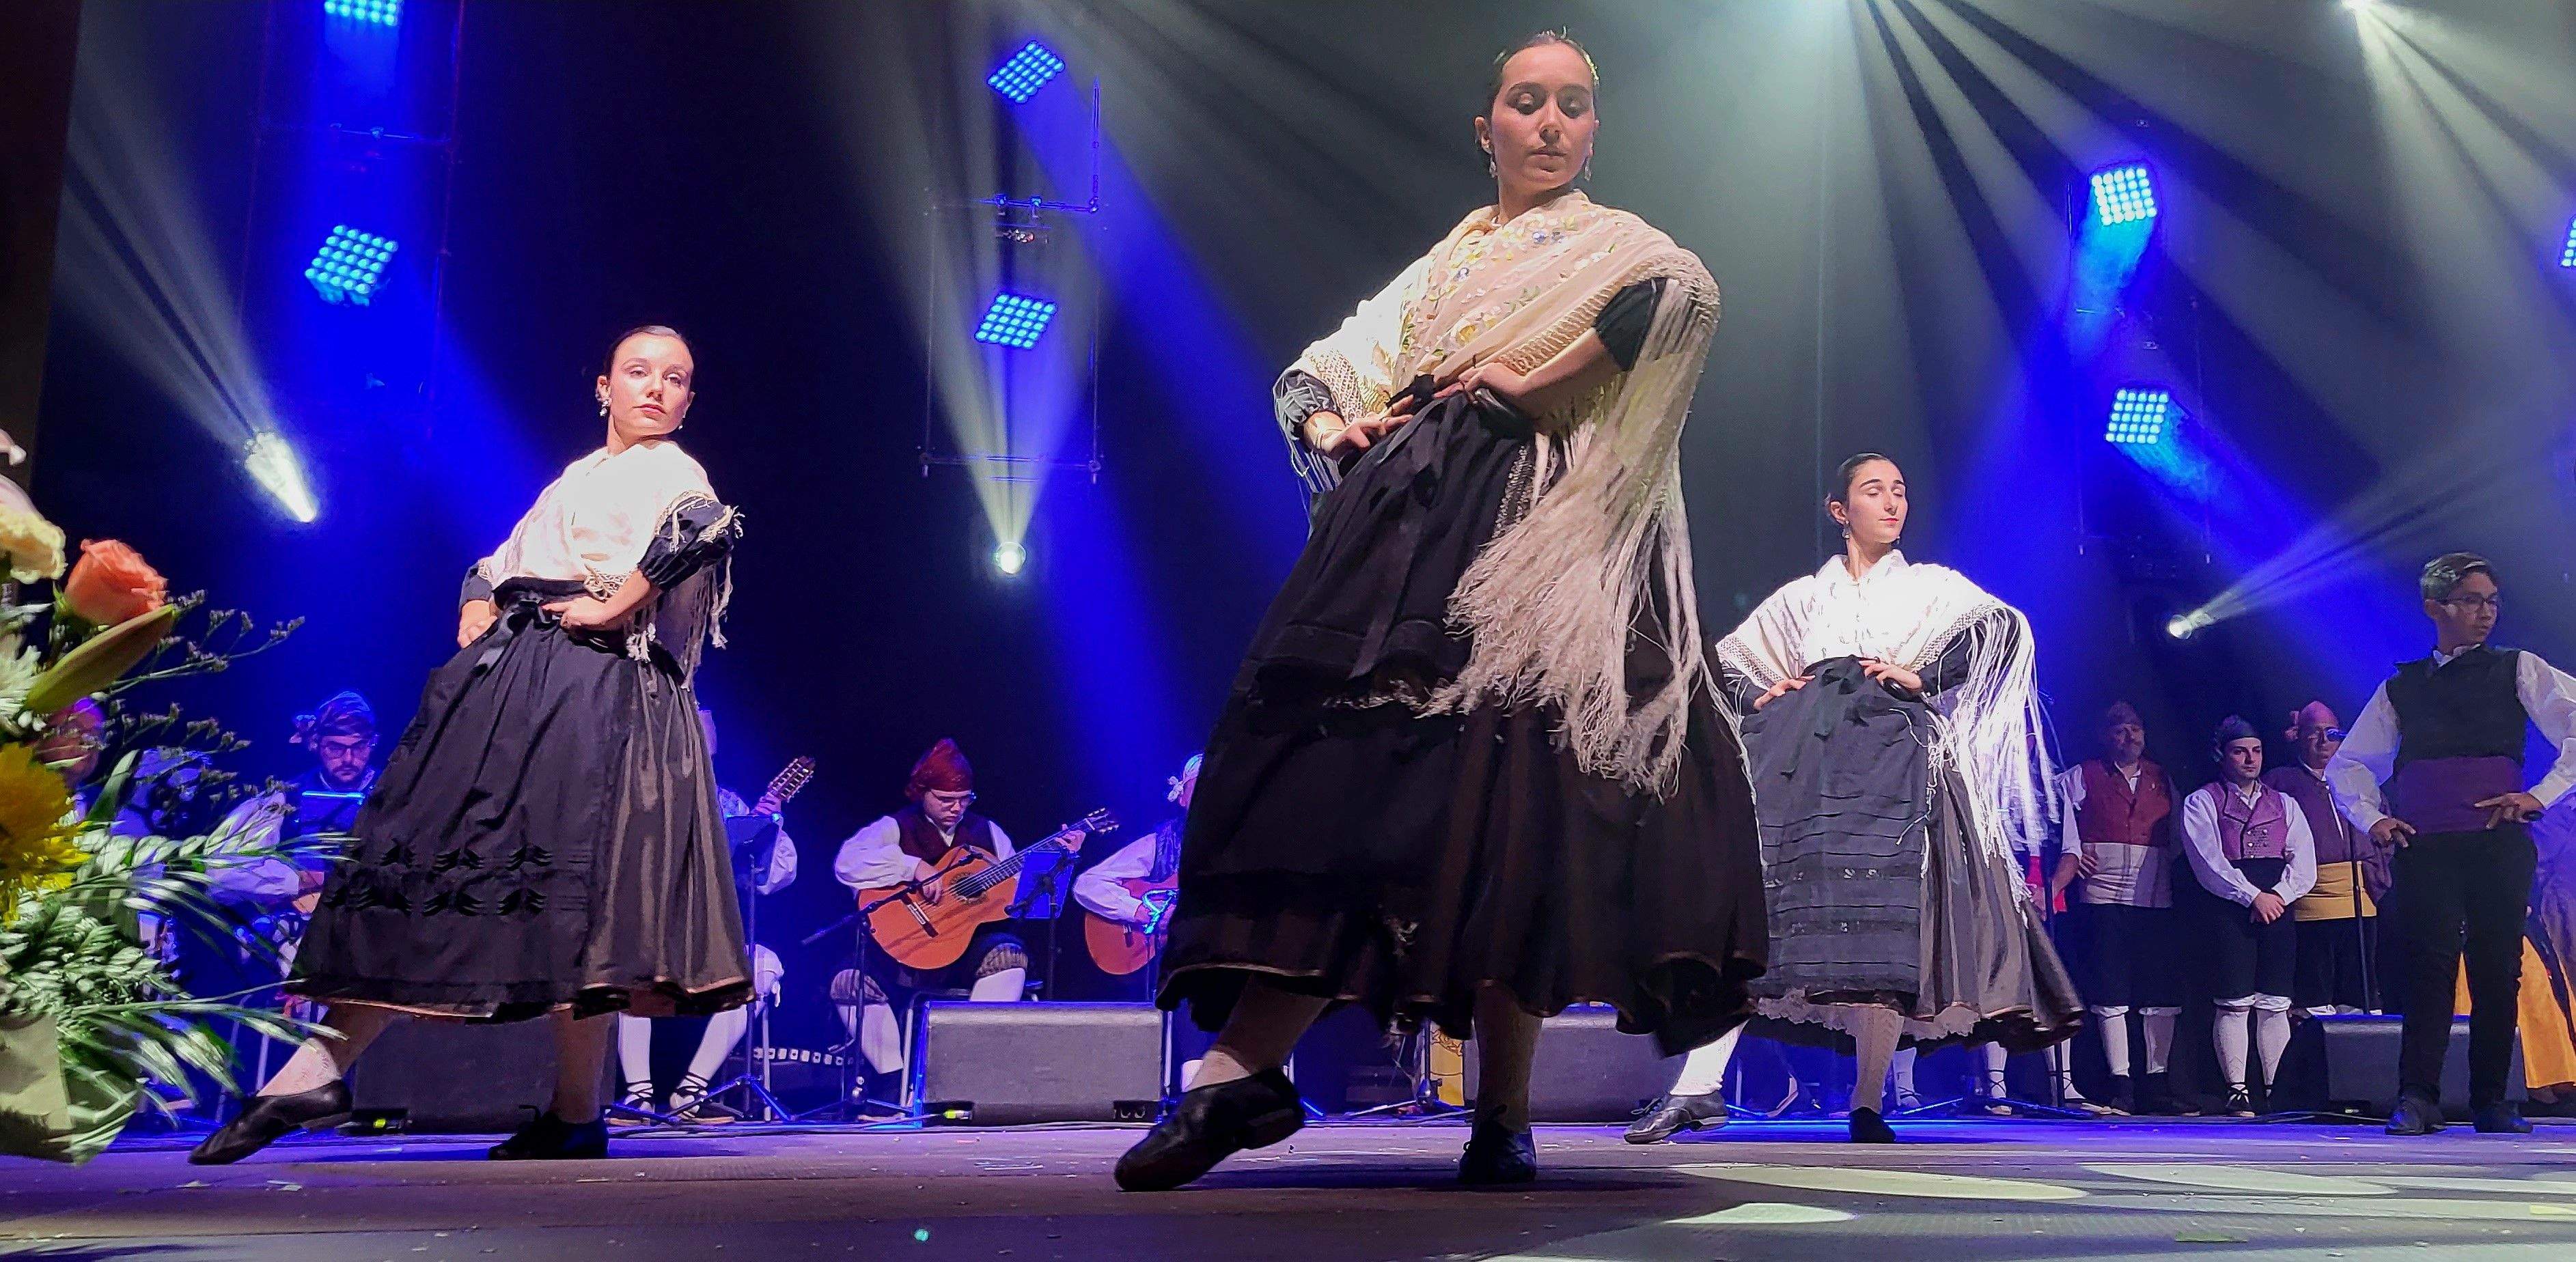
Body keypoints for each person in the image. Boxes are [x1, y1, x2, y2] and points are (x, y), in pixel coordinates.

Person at [1117, 31, 1764, 1192]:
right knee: (1349, 779)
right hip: (1407, 534)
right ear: (1488, 127)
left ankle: (1496, 1113)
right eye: (1527, 102)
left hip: (1533, 543)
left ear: (1593, 129)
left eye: (1573, 104)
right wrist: (1332, 428)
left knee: (1509, 801)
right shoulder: (1449, 258)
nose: (1551, 122)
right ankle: (1243, 1068)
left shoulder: (1619, 247)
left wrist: (1535, 382)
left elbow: (1688, 297)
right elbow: (1321, 368)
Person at [192, 325, 748, 1164]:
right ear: (603, 386)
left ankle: (559, 1110)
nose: (656, 389)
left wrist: (610, 605)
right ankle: (345, 1070)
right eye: (639, 373)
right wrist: (477, 599)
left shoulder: (672, 469)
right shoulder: (581, 475)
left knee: (567, 898)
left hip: (596, 690)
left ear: (689, 399)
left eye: (676, 379)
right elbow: (501, 558)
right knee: (451, 869)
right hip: (527, 681)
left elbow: (705, 527)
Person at [1633, 453, 2082, 1147]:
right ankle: (1697, 1089)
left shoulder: (1931, 586)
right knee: (1761, 914)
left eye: (1900, 490)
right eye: (1874, 491)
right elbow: (1727, 659)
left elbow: (2003, 629)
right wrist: (1761, 693)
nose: (1892, 502)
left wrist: (1925, 673)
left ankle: (1869, 1102)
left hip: (1892, 758)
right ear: (1840, 511)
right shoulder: (1808, 596)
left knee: (1885, 922)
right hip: (1805, 759)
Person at [2330, 552, 2576, 1135]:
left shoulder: (2518, 668)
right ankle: (2417, 1097)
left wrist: (2540, 795)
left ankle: (2493, 1099)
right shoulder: (2402, 686)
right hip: (2427, 846)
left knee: (2498, 969)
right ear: (2434, 607)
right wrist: (2373, 820)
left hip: (2496, 842)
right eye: (2470, 600)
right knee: (2428, 969)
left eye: (2491, 600)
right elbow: (2349, 764)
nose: (2484, 612)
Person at [612, 706, 795, 1124]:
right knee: (624, 966)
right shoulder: (638, 790)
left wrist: (768, 826)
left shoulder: (728, 801)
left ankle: (691, 1092)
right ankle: (639, 1096)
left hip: (707, 929)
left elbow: (768, 880)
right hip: (648, 922)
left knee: (761, 967)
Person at [829, 740, 1033, 1099]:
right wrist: (912, 867)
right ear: (921, 793)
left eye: (965, 800)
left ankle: (964, 1077)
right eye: (945, 800)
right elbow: (847, 863)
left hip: (965, 948)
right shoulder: (895, 827)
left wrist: (1056, 860)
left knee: (1009, 957)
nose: (957, 809)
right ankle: (891, 1083)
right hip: (904, 947)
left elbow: (1017, 890)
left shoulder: (989, 833)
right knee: (849, 982)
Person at [2050, 702, 2184, 1114]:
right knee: (2110, 991)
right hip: (2102, 895)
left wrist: (2160, 864)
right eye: (2120, 731)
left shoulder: (2163, 778)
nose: (2130, 738)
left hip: (2153, 895)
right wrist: (2074, 857)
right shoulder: (2080, 776)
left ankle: (2157, 1081)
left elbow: (2180, 833)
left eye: (2136, 729)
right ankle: (2120, 1083)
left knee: (2157, 991)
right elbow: (2055, 825)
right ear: (2105, 737)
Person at [2180, 716, 2316, 1116]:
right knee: (2234, 1001)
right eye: (2240, 751)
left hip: (2277, 902)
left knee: (2275, 1001)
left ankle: (2277, 1089)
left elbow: (2303, 861)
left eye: (2256, 751)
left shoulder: (2285, 803)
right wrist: (2252, 895)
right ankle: (2236, 1088)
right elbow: (2208, 861)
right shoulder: (2202, 801)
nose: (2250, 759)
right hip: (2230, 906)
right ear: (2221, 755)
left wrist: (2279, 895)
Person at [2266, 702, 2387, 1018]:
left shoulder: (2358, 780)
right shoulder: (2280, 783)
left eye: (2331, 734)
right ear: (2297, 736)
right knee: (2315, 986)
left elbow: (2383, 826)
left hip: (2361, 895)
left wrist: (2376, 868)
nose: (2323, 742)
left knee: (2359, 987)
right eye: (2313, 733)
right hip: (2311, 899)